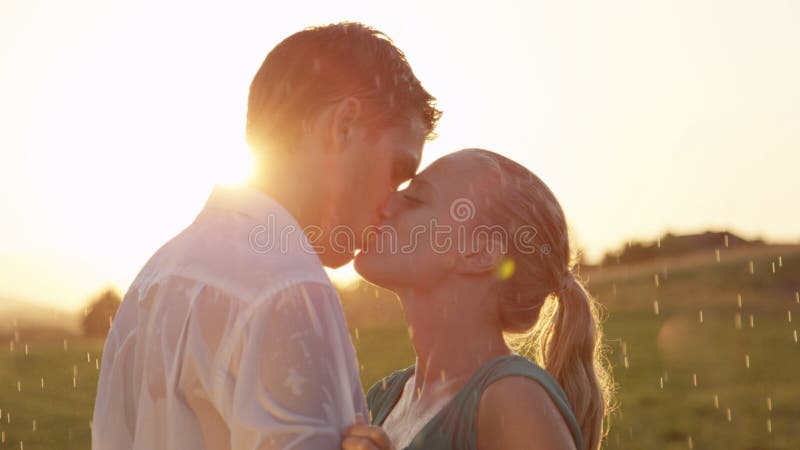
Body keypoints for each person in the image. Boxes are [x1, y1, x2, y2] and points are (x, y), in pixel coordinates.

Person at [91, 22, 441, 450]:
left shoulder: (154, 279)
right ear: (344, 126)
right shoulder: (291, 286)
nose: (392, 204)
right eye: (397, 172)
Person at [342, 149, 614, 450]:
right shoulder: (384, 397)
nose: (387, 202)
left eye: (416, 199)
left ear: (480, 252)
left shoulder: (514, 400)